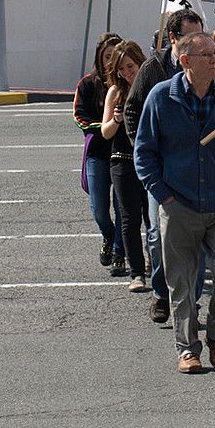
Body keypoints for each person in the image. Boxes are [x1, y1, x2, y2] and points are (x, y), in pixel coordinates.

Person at [135, 32, 215, 374]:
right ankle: (187, 348)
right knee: (182, 280)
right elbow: (144, 153)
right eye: (206, 55)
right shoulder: (161, 97)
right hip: (179, 202)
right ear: (185, 61)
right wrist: (164, 196)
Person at [124, 9, 208, 324]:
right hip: (162, 170)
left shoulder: (209, 62)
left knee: (197, 239)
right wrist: (142, 149)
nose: (198, 44)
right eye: (190, 37)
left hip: (199, 170)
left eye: (201, 36)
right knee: (159, 235)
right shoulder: (153, 68)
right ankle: (162, 293)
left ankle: (191, 301)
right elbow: (132, 110)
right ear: (172, 38)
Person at [100, 40, 151, 292]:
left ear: (140, 61)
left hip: (150, 160)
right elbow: (105, 132)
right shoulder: (115, 92)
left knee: (153, 218)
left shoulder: (152, 87)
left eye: (130, 66)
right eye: (121, 69)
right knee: (129, 219)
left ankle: (157, 263)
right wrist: (117, 119)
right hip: (122, 160)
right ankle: (137, 273)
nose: (127, 73)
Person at [74, 32, 125, 273]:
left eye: (114, 56)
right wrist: (105, 125)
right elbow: (80, 117)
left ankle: (119, 252)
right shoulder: (87, 84)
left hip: (123, 152)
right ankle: (109, 235)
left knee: (123, 207)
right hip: (97, 153)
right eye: (106, 56)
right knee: (99, 209)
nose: (109, 62)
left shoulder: (129, 82)